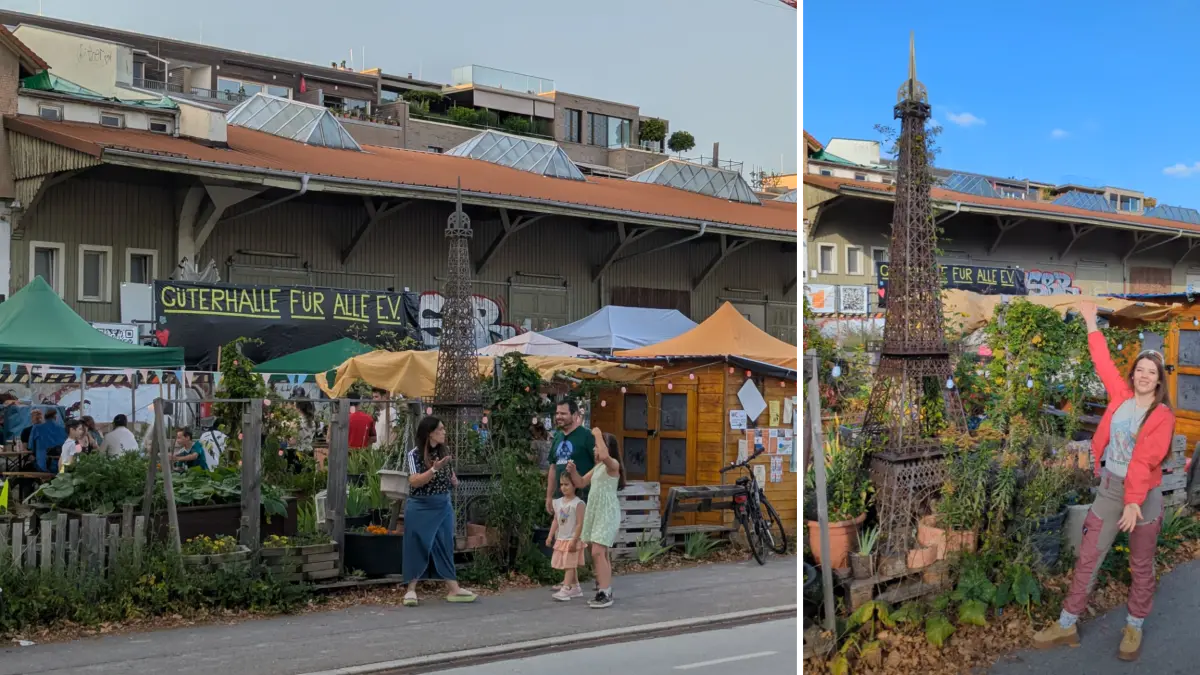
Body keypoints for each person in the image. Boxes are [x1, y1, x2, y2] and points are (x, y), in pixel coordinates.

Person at [1033, 300, 1174, 661]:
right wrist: (1090, 321)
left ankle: (1134, 626)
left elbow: (1145, 460)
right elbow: (1102, 362)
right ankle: (1066, 624)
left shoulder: (1162, 416)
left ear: (1159, 380)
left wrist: (1133, 500)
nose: (1143, 375)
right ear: (1134, 374)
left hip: (1145, 498)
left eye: (1150, 372)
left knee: (1141, 565)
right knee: (1089, 557)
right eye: (1139, 370)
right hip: (1111, 490)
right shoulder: (1121, 397)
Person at [401, 416, 476, 607]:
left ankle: (454, 588)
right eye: (440, 429)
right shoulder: (414, 454)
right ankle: (411, 589)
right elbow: (414, 481)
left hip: (442, 504)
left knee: (444, 543)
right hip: (421, 506)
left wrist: (453, 479)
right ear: (430, 433)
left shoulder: (445, 451)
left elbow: (449, 472)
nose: (444, 432)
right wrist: (433, 470)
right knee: (417, 543)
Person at [566, 428, 625, 609]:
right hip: (597, 512)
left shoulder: (612, 465)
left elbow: (605, 455)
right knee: (601, 552)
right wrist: (574, 471)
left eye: (598, 446)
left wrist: (598, 434)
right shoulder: (598, 468)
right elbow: (581, 483)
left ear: (607, 448)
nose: (594, 449)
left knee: (597, 552)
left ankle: (605, 592)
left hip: (607, 513)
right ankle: (604, 588)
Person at [545, 399, 595, 516]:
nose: (558, 417)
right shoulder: (557, 437)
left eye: (563, 413)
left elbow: (599, 464)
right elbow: (553, 468)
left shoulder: (587, 435)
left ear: (575, 415)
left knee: (579, 533)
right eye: (557, 413)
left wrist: (583, 482)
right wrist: (548, 496)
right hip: (560, 499)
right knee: (562, 532)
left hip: (582, 499)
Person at [547, 473, 586, 601]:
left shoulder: (578, 503)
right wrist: (550, 535)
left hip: (572, 538)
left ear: (575, 485)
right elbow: (555, 520)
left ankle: (566, 588)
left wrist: (575, 540)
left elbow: (580, 523)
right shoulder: (558, 503)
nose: (563, 487)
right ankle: (575, 587)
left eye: (567, 484)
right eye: (562, 484)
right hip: (562, 538)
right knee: (569, 564)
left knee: (569, 564)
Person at [30, 409, 66, 473]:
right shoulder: (63, 429)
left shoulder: (37, 428)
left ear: (45, 418)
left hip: (42, 464)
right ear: (55, 417)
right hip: (59, 464)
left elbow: (31, 446)